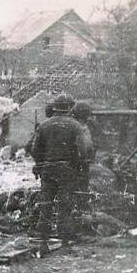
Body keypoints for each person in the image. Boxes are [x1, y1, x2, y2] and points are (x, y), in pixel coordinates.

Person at [31, 94, 84, 245]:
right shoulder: (75, 125)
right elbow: (84, 149)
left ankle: (43, 238)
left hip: (47, 169)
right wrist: (77, 164)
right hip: (67, 169)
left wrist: (40, 163)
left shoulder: (44, 125)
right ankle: (64, 239)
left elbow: (35, 149)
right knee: (65, 203)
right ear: (69, 107)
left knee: (46, 203)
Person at [70, 102, 95, 212]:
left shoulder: (83, 126)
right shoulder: (77, 126)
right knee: (79, 186)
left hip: (82, 161)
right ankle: (80, 210)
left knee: (82, 186)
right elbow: (83, 144)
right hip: (78, 161)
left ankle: (81, 207)